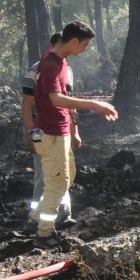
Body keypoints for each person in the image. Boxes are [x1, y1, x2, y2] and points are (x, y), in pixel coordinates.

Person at [32, 21, 118, 249]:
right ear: (73, 41)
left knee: (67, 177)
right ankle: (44, 232)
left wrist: (73, 128)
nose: (86, 49)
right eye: (85, 44)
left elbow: (62, 99)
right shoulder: (50, 65)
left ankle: (36, 217)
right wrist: (93, 104)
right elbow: (56, 99)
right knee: (57, 184)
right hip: (50, 134)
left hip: (60, 131)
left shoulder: (60, 62)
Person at [22, 33, 74, 227]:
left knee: (63, 171)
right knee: (43, 174)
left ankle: (64, 213)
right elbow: (27, 105)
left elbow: (69, 103)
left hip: (62, 131)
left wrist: (74, 131)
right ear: (51, 46)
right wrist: (32, 136)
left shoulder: (66, 70)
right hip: (41, 131)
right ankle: (38, 219)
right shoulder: (36, 70)